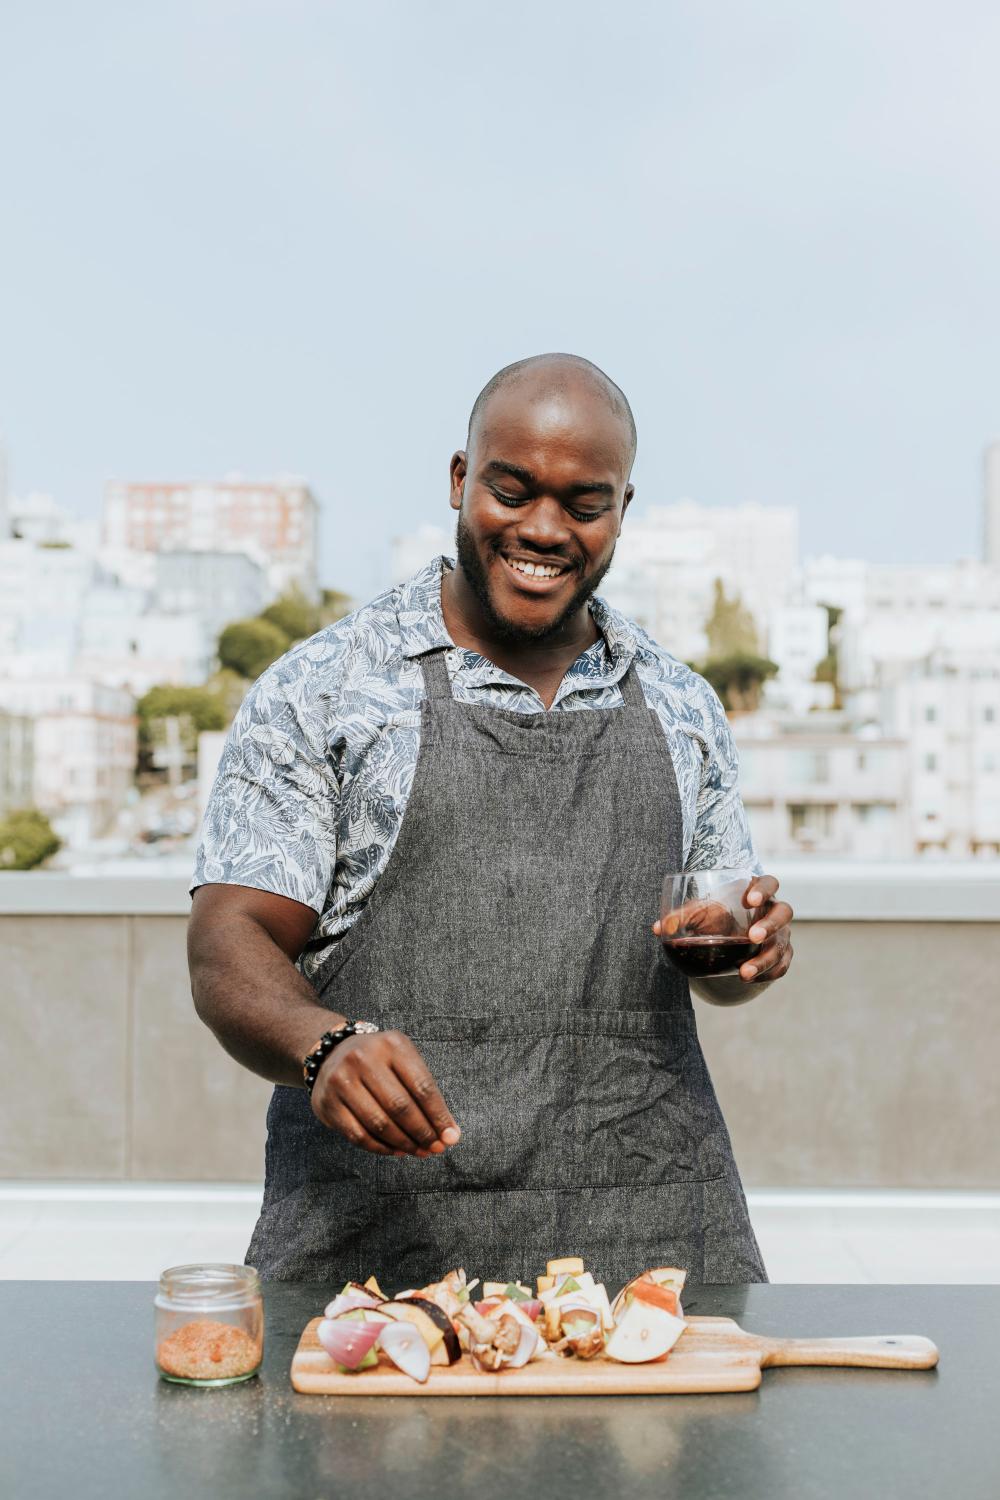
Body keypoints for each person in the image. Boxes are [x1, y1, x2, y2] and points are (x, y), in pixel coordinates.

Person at [188, 352, 794, 1289]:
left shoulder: (681, 704)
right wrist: (324, 1046)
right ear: (462, 480)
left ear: (622, 510)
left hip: (653, 1244)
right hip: (381, 1254)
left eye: (584, 504)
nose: (544, 529)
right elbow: (229, 940)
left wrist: (749, 950)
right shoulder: (326, 689)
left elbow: (718, 966)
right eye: (513, 490)